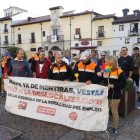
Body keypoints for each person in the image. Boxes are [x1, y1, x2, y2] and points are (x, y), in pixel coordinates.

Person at [96, 56, 127, 136]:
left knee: (114, 111)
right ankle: (105, 126)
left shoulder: (119, 71)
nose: (105, 63)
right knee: (105, 111)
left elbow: (124, 83)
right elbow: (100, 80)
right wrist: (99, 75)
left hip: (115, 95)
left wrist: (114, 85)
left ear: (112, 63)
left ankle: (114, 127)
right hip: (106, 94)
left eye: (106, 62)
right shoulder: (105, 70)